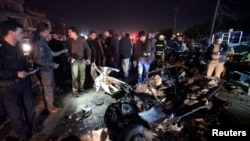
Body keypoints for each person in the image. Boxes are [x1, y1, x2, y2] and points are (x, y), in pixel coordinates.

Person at [0, 20, 35, 140]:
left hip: (24, 84)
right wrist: (16, 74)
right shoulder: (1, 48)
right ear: (11, 32)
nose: (23, 35)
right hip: (8, 88)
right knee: (15, 114)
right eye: (20, 32)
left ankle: (31, 127)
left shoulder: (18, 47)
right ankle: (22, 135)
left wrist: (28, 68)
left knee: (29, 108)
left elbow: (23, 62)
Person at [30, 22, 67, 114]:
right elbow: (38, 59)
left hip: (47, 69)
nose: (50, 32)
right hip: (44, 70)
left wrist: (63, 51)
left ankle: (51, 104)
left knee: (50, 87)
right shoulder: (38, 41)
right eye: (49, 30)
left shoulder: (41, 40)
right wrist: (52, 64)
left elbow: (52, 53)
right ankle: (50, 108)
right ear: (45, 30)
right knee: (47, 89)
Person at [67, 27, 91, 97]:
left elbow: (88, 49)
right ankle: (75, 90)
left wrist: (89, 58)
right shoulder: (69, 41)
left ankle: (81, 88)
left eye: (69, 32)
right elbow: (67, 51)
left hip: (82, 60)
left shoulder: (82, 39)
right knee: (75, 77)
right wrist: (69, 58)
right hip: (74, 61)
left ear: (74, 32)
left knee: (82, 76)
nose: (68, 33)